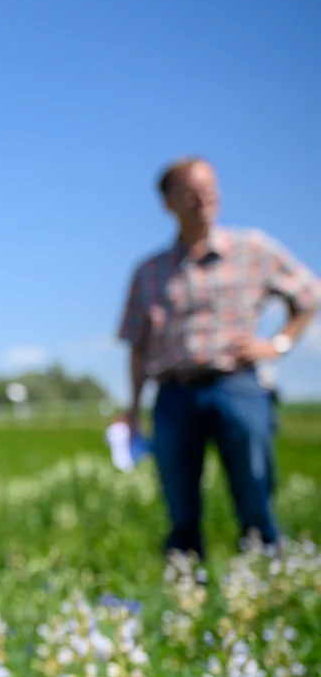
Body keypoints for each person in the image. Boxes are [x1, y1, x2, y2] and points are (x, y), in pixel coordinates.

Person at [119, 157, 317, 558]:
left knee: (255, 494)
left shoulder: (253, 249)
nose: (203, 198)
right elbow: (137, 347)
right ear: (168, 202)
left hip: (238, 386)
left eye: (210, 188)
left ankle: (266, 576)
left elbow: (309, 297)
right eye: (190, 192)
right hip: (174, 393)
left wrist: (276, 345)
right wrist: (134, 410)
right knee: (180, 505)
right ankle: (187, 585)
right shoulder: (150, 271)